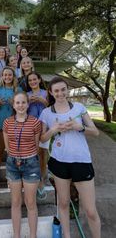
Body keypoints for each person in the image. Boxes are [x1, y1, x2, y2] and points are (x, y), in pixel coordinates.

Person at [39, 77, 101, 238]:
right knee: (64, 203)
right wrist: (53, 130)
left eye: (63, 89)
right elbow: (42, 139)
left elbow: (95, 132)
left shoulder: (79, 108)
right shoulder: (46, 112)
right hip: (59, 162)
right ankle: (67, 235)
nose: (60, 93)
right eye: (56, 91)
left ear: (67, 90)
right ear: (51, 93)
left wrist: (79, 127)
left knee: (90, 210)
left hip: (81, 162)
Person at [3, 92, 41, 238]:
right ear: (13, 105)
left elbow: (36, 145)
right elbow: (7, 144)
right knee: (16, 201)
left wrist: (27, 156)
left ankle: (33, 235)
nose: (20, 105)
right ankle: (16, 235)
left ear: (27, 104)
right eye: (17, 103)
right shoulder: (7, 122)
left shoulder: (35, 122)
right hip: (12, 164)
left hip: (30, 164)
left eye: (23, 102)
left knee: (30, 202)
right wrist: (14, 156)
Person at [0, 67, 20, 191]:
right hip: (2, 124)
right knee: (0, 151)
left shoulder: (18, 89)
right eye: (5, 75)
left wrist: (15, 103)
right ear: (2, 76)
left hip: (16, 124)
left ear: (13, 76)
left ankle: (10, 177)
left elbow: (23, 104)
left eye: (10, 75)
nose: (7, 77)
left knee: (13, 152)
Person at [26, 71, 49, 199]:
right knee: (33, 153)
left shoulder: (46, 93)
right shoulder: (27, 94)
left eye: (35, 79)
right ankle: (33, 177)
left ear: (39, 80)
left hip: (45, 127)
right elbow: (22, 108)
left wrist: (42, 100)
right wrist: (28, 101)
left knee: (43, 153)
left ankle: (42, 179)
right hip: (31, 127)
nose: (33, 82)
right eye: (30, 80)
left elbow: (51, 108)